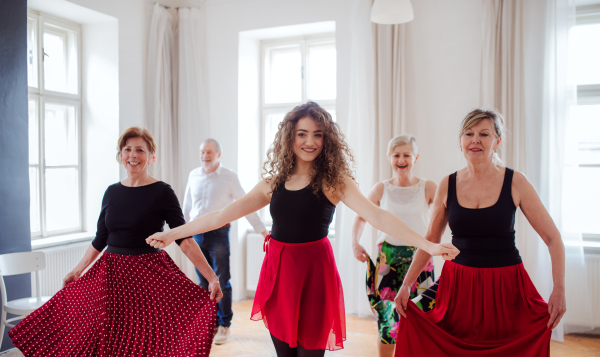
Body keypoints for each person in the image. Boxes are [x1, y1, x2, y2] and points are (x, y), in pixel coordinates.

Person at [146, 102, 459, 357]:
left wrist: (428, 245)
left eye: (318, 134)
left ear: (327, 140)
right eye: (302, 134)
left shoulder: (334, 181)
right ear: (290, 138)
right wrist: (172, 233)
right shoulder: (273, 182)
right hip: (279, 273)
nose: (310, 141)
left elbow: (377, 216)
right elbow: (221, 214)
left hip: (314, 273)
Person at [9, 127, 223, 357]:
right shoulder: (111, 192)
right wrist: (77, 271)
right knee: (103, 339)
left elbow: (185, 239)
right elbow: (100, 239)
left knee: (144, 339)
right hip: (110, 277)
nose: (133, 155)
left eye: (140, 150)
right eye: (127, 149)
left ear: (151, 156)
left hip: (147, 277)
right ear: (121, 155)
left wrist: (211, 278)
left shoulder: (163, 192)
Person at [393, 109, 566, 357]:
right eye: (469, 133)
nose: (475, 140)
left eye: (484, 134)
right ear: (460, 141)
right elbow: (430, 240)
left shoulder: (516, 182)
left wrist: (559, 289)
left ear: (497, 141)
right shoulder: (447, 184)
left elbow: (553, 238)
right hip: (457, 287)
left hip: (506, 288)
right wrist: (406, 285)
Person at [352, 134, 437, 357]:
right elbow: (361, 216)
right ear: (390, 158)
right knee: (387, 321)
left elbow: (446, 216)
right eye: (396, 155)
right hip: (388, 261)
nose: (402, 159)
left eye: (406, 155)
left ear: (415, 157)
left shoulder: (428, 188)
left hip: (421, 259)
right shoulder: (381, 189)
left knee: (423, 317)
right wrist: (355, 243)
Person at [182, 138, 268, 344]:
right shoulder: (193, 175)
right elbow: (186, 207)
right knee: (203, 282)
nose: (205, 156)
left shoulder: (229, 177)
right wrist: (182, 233)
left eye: (209, 152)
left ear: (218, 154)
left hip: (219, 235)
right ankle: (209, 323)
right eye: (202, 152)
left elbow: (247, 204)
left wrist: (263, 231)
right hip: (196, 236)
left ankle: (224, 325)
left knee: (221, 280)